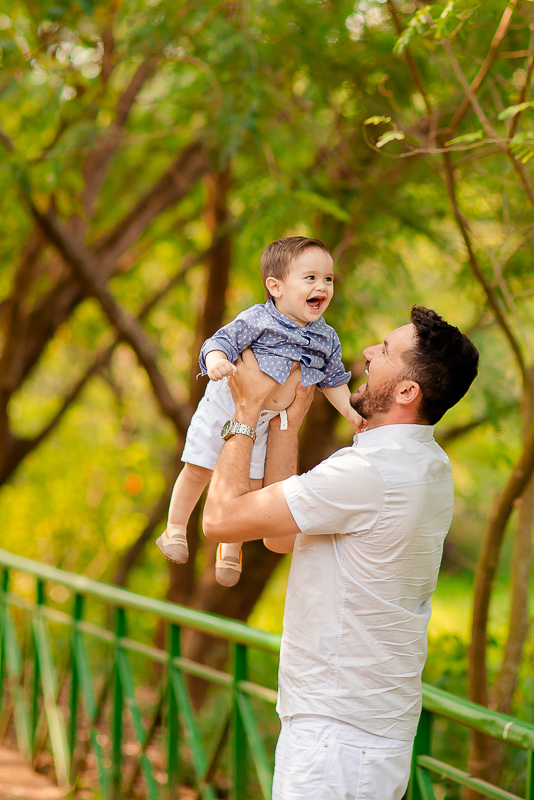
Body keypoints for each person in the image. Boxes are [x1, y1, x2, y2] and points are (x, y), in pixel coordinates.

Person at [202, 306, 479, 800]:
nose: (368, 353)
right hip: (356, 728)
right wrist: (292, 415)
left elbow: (220, 521)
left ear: (406, 391)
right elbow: (281, 538)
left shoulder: (367, 472)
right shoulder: (426, 462)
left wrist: (244, 412)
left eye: (386, 351)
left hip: (339, 739)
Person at [156, 236, 363, 587]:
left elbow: (333, 379)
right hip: (226, 405)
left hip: (268, 420)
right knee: (199, 467)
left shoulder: (326, 337)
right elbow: (219, 341)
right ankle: (174, 529)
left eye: (328, 279)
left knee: (249, 484)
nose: (322, 286)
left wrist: (350, 411)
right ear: (276, 286)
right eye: (310, 278)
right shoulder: (258, 319)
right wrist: (218, 361)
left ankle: (229, 549)